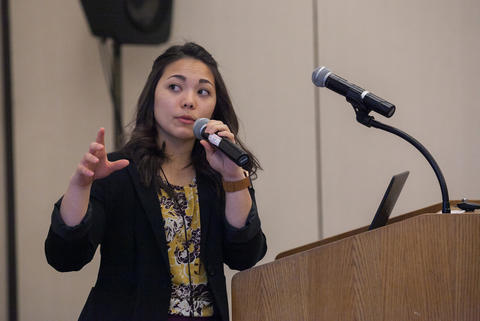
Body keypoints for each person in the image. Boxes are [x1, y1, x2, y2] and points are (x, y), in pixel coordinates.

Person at [45, 42, 267, 321]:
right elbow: (65, 258)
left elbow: (245, 256)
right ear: (152, 96)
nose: (189, 101)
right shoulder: (117, 171)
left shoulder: (220, 173)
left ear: (215, 106)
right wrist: (80, 188)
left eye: (203, 91)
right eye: (175, 87)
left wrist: (234, 178)